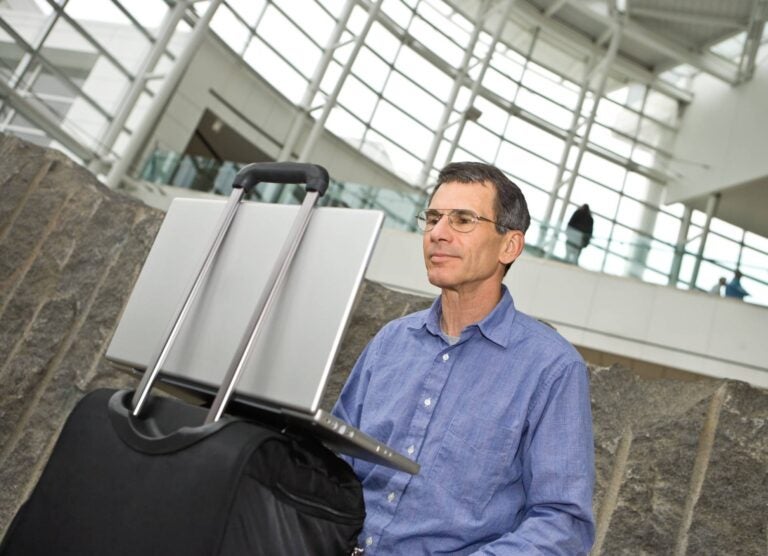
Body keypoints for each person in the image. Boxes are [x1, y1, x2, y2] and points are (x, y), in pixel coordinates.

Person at [333, 162, 595, 554]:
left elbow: (562, 524)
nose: (438, 233)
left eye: (462, 220)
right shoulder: (390, 342)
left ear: (510, 245)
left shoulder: (551, 369)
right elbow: (334, 462)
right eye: (434, 218)